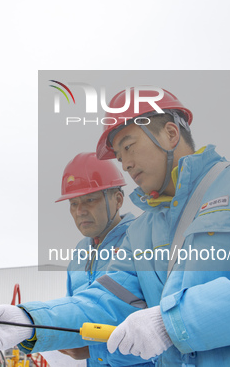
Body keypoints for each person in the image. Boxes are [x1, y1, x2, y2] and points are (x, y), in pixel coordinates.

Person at [0, 87, 230, 365]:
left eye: (129, 145)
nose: (124, 163)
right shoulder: (143, 233)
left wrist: (171, 322)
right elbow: (106, 303)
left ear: (171, 134)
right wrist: (30, 321)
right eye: (119, 153)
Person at [48, 152, 147, 366]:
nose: (80, 211)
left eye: (90, 200)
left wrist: (95, 351)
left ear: (118, 199)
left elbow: (161, 331)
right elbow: (73, 311)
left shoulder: (143, 238)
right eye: (73, 203)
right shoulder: (80, 253)